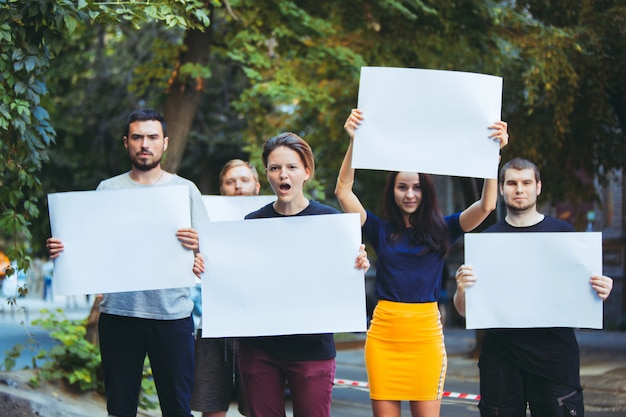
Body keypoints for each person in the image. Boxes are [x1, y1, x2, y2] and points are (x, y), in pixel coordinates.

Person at [335, 108, 509, 417]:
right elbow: (343, 191)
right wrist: (354, 143)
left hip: (426, 336)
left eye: (416, 187)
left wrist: (490, 158)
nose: (410, 194)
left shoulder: (444, 227)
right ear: (393, 191)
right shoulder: (379, 228)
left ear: (426, 191)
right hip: (383, 336)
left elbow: (487, 205)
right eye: (402, 187)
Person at [46, 108, 208, 417]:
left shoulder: (185, 190)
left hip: (172, 316)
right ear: (126, 143)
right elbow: (89, 246)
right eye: (137, 137)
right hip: (119, 315)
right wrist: (63, 250)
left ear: (165, 143)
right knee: (120, 408)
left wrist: (198, 246)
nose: (144, 144)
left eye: (152, 137)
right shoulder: (108, 190)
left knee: (178, 408)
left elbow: (210, 252)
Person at [218, 132, 370, 417]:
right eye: (275, 168)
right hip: (259, 349)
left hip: (312, 350)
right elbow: (239, 280)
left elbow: (342, 278)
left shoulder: (331, 223)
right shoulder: (252, 223)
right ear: (267, 174)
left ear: (306, 172)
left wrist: (359, 264)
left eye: (291, 167)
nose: (282, 175)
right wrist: (210, 266)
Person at [453, 157, 614, 417]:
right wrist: (461, 289)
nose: (519, 189)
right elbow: (463, 311)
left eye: (526, 182)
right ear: (502, 188)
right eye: (512, 183)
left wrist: (602, 289)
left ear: (538, 187)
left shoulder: (564, 234)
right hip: (500, 359)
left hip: (555, 358)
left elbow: (585, 294)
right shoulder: (486, 242)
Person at [190, 159, 260, 417]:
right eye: (230, 182)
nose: (237, 186)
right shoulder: (207, 221)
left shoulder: (273, 219)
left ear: (257, 184)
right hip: (215, 319)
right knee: (211, 403)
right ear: (222, 189)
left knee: (257, 405)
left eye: (243, 180)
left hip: (258, 323)